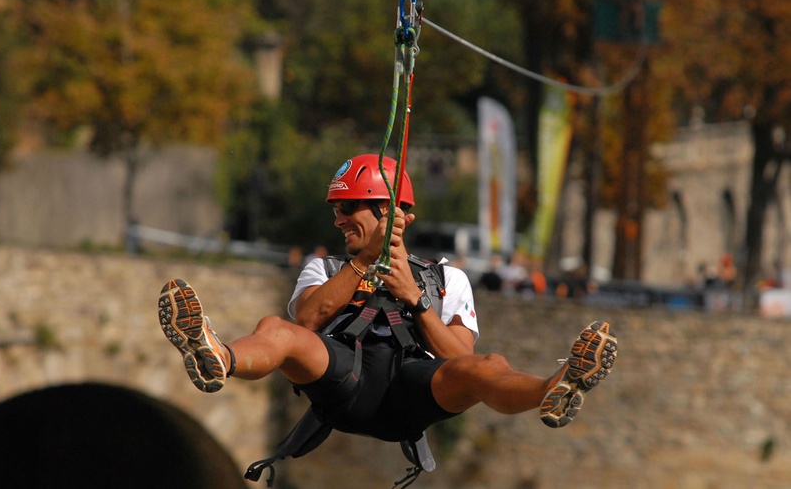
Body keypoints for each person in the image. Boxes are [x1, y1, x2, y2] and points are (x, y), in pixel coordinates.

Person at [158, 154, 617, 482]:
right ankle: (220, 356)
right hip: (344, 379)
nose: (338, 220)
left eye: (348, 208)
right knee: (275, 330)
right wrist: (364, 265)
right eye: (337, 210)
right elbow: (308, 320)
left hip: (409, 391)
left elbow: (457, 355)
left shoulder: (446, 279)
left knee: (489, 366)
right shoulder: (325, 269)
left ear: (390, 213)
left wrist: (413, 297)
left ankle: (550, 389)